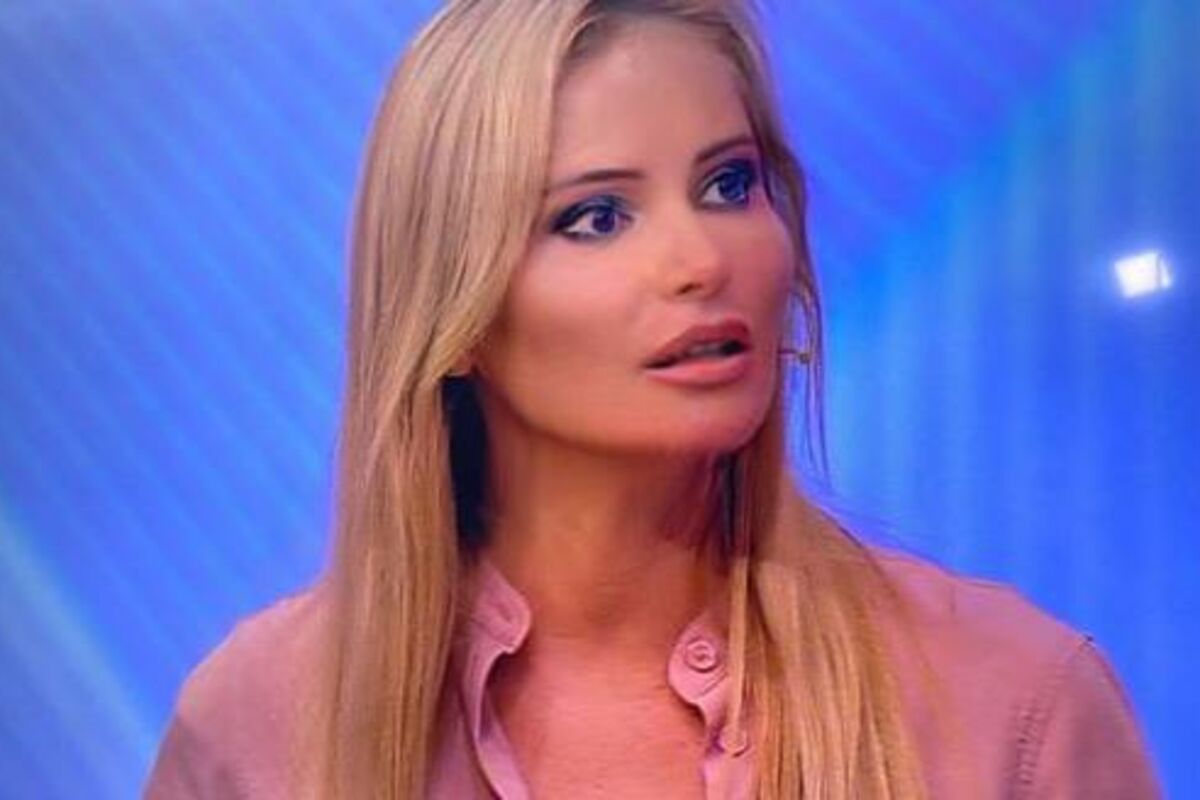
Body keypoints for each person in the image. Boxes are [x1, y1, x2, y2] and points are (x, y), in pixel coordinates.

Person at [144, 1, 1161, 797]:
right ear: (454, 312)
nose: (701, 260)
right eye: (596, 216)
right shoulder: (260, 725)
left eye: (729, 186)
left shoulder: (1014, 705)